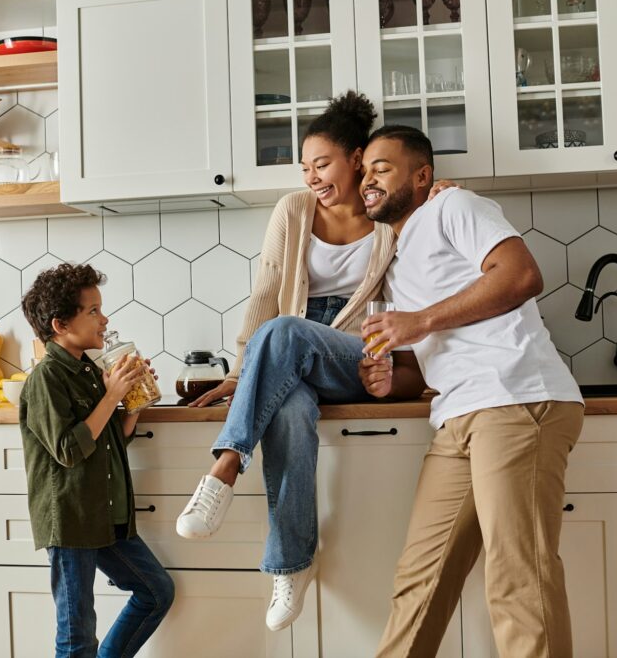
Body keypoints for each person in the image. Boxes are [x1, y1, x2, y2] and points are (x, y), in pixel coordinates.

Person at [356, 125, 585, 658]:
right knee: (420, 580)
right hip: (457, 414)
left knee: (518, 578)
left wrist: (421, 321)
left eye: (382, 167)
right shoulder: (396, 252)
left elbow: (522, 275)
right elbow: (425, 358)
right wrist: (394, 380)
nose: (368, 178)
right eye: (364, 169)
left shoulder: (453, 205)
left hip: (513, 396)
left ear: (423, 175)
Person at [174, 91, 398, 632]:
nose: (312, 177)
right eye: (304, 167)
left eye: (322, 164)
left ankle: (224, 468)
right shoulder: (293, 211)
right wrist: (242, 373)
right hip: (288, 356)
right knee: (292, 410)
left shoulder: (391, 217)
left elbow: (403, 298)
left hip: (356, 357)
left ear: (356, 157)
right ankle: (292, 564)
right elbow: (267, 291)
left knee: (288, 331)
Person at [20, 263, 174, 658]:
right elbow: (69, 450)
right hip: (72, 521)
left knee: (155, 591)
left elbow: (111, 439)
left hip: (105, 517)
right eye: (93, 311)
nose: (104, 320)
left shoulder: (90, 368)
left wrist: (132, 400)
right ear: (60, 324)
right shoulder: (47, 378)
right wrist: (110, 398)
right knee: (76, 638)